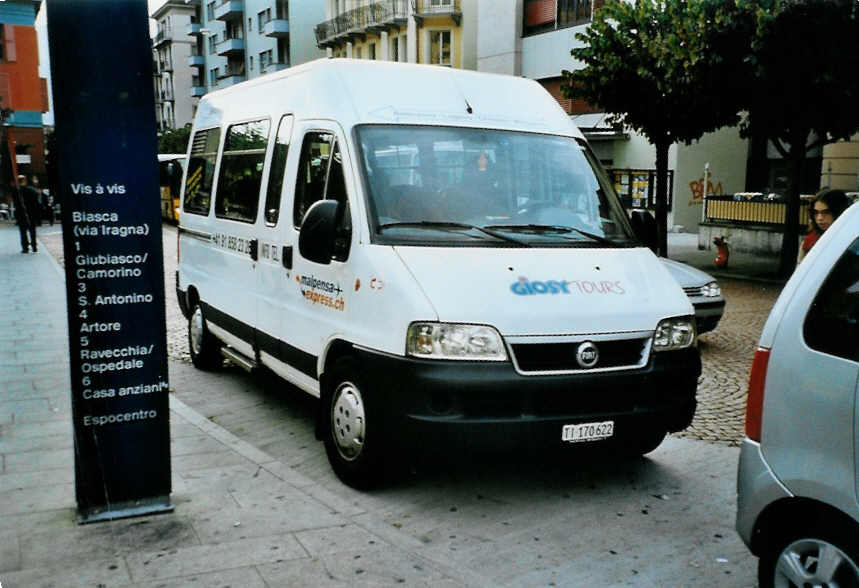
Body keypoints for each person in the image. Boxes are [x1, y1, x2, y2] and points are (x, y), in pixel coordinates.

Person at [797, 188, 850, 265]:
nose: (820, 218)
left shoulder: (851, 241)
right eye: (816, 213)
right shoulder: (808, 242)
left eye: (826, 212)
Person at [13, 174, 41, 253]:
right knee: (32, 230)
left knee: (23, 231)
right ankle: (34, 246)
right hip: (31, 212)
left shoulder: (16, 191)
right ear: (25, 181)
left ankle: (25, 248)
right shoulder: (32, 190)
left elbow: (16, 203)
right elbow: (36, 203)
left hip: (21, 213)